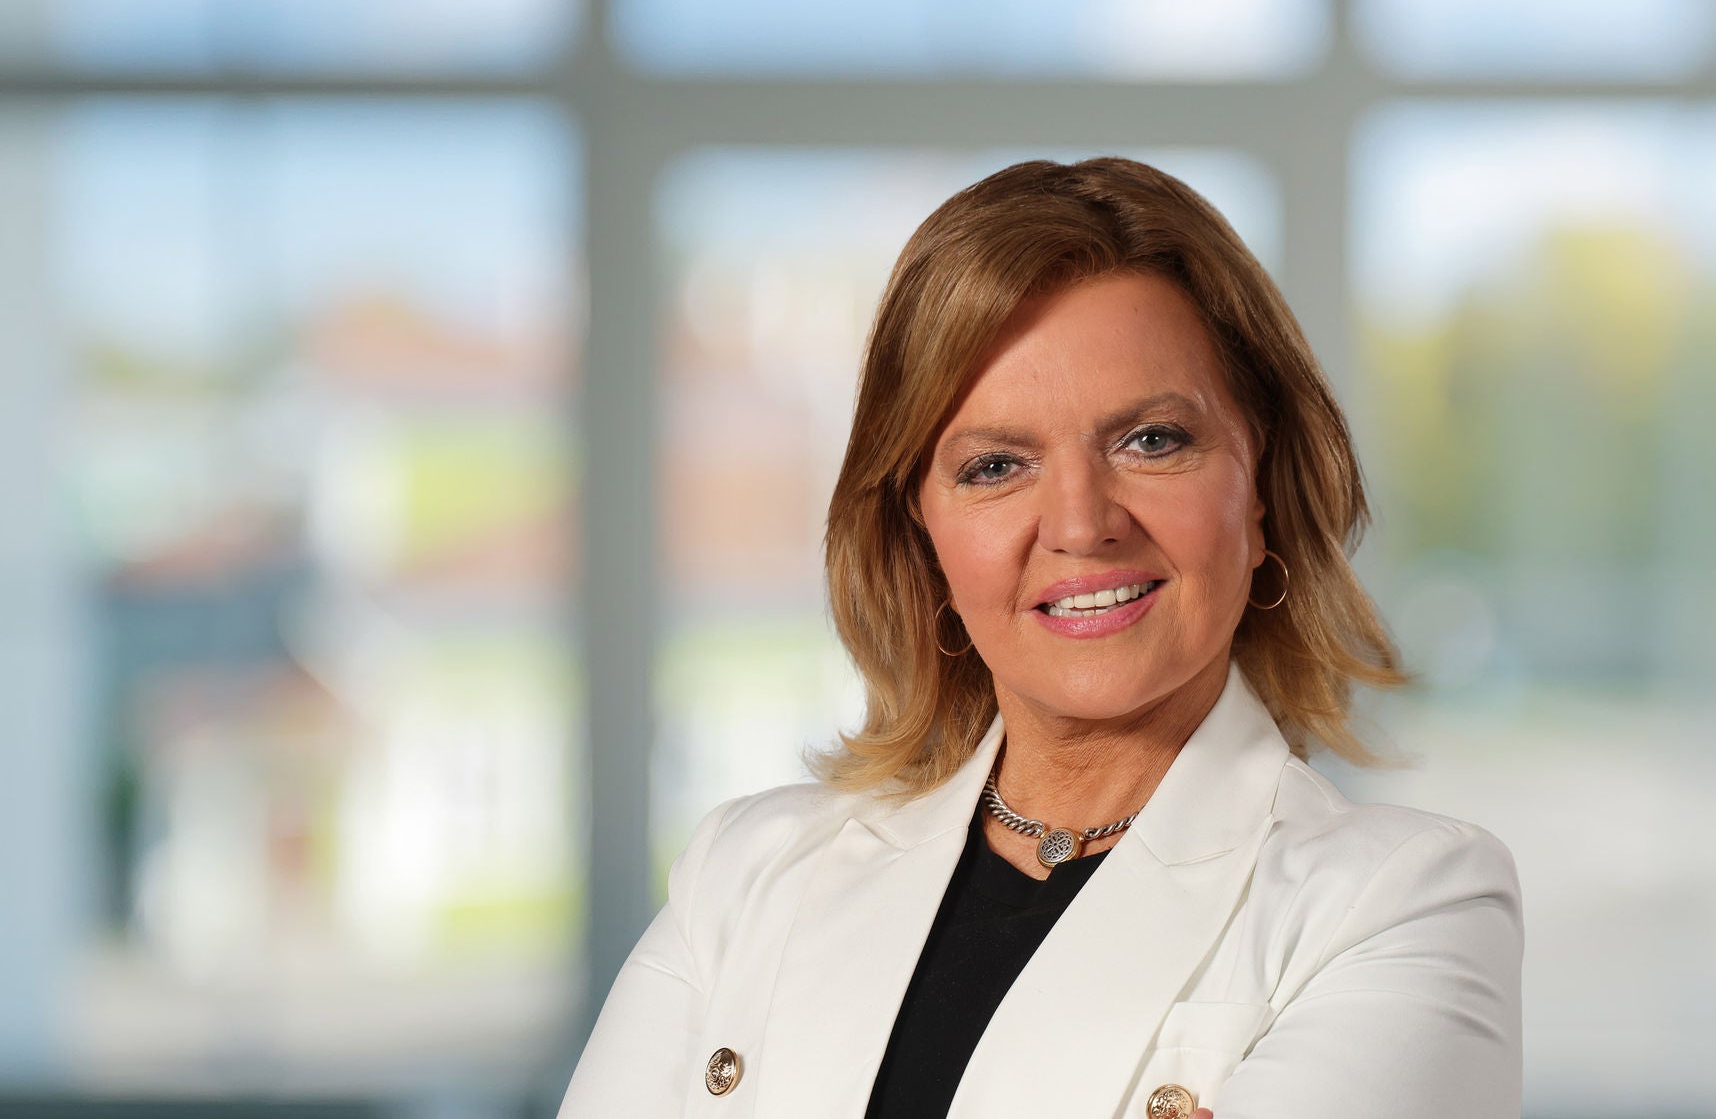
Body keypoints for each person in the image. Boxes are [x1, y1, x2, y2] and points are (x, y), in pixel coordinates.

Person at [557, 157, 1523, 1119]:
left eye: (1151, 440)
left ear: (1261, 488)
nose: (1081, 523)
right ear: (921, 534)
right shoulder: (744, 875)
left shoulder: (1401, 903)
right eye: (995, 465)